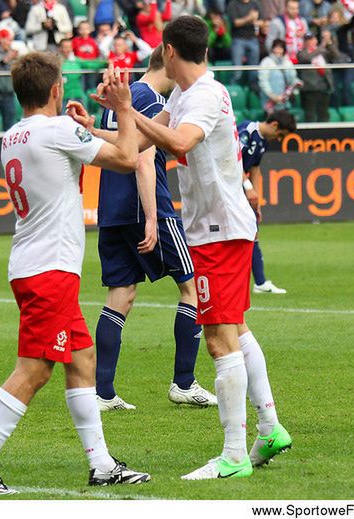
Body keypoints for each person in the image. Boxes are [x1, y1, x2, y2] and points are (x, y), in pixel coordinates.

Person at [82, 15, 291, 480]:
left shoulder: (204, 95)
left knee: (218, 337)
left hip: (219, 229)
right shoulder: (181, 95)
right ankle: (270, 428)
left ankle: (235, 454)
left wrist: (126, 107)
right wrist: (93, 126)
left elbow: (177, 141)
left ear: (170, 51)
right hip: (214, 227)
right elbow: (134, 144)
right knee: (235, 327)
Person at [0, 52, 150, 495]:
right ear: (57, 89)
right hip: (50, 268)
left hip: (30, 263)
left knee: (82, 359)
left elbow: (64, 152)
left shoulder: (12, 135)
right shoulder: (60, 130)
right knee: (36, 369)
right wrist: (122, 108)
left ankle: (101, 465)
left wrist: (81, 128)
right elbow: (126, 156)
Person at [68, 45, 217, 412]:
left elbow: (116, 145)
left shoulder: (121, 98)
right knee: (192, 287)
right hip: (147, 207)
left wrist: (89, 129)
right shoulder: (148, 99)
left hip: (113, 210)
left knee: (121, 294)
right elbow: (144, 159)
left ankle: (102, 392)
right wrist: (153, 217)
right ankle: (184, 382)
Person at [237, 110, 296, 295]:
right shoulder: (246, 131)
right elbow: (231, 160)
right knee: (240, 235)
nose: (278, 139)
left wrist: (257, 202)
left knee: (252, 231)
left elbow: (255, 169)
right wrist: (248, 187)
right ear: (275, 125)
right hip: (227, 188)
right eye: (280, 135)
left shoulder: (262, 140)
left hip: (239, 188)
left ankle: (260, 282)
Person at [297, 30, 337, 122]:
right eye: (308, 40)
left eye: (312, 39)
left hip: (324, 85)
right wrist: (321, 47)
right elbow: (307, 58)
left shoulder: (322, 51)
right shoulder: (301, 53)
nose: (310, 42)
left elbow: (335, 55)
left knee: (324, 114)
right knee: (310, 114)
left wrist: (329, 42)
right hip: (310, 88)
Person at [226, 0, 262, 89]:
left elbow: (262, 21)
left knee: (254, 71)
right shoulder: (233, 4)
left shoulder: (255, 3)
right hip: (238, 39)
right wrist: (249, 18)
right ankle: (234, 92)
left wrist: (256, 21)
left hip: (253, 39)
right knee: (237, 71)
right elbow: (235, 23)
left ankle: (252, 94)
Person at [258, 39, 300, 113]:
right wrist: (273, 96)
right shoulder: (266, 62)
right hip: (270, 103)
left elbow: (292, 79)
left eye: (280, 48)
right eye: (276, 47)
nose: (278, 50)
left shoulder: (288, 62)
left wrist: (297, 83)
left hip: (285, 102)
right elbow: (263, 81)